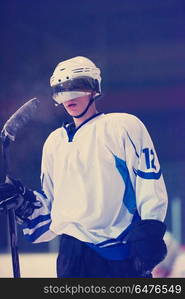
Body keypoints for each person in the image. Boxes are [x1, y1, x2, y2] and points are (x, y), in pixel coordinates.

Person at [0, 56, 168, 278]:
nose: (68, 96)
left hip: (118, 251)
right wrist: (23, 202)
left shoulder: (122, 126)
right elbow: (51, 208)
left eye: (76, 87)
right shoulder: (54, 142)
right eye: (61, 90)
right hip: (71, 256)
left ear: (94, 89)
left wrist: (150, 231)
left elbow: (149, 179)